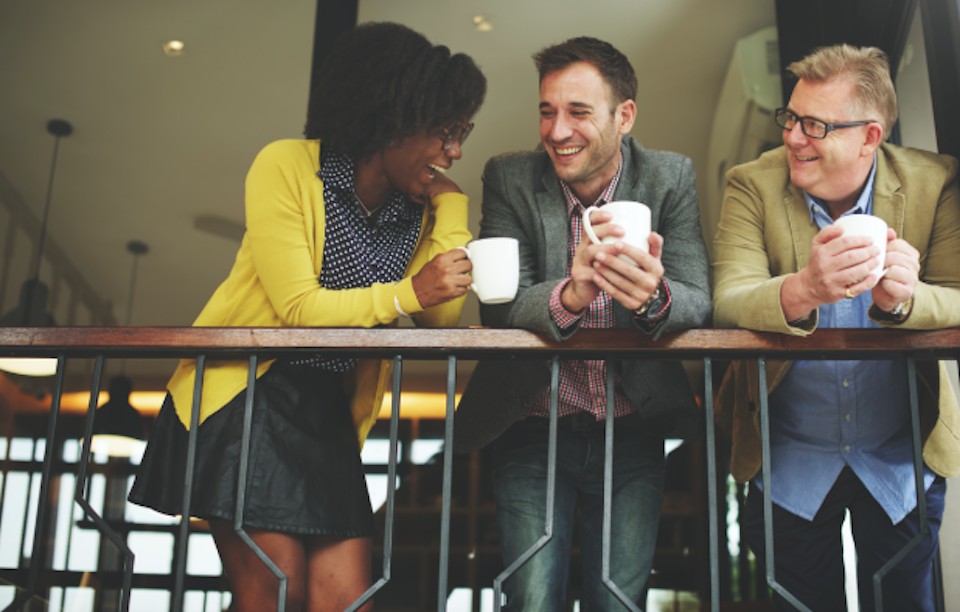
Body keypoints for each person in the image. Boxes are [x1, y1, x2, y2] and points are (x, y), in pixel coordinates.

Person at [129, 22, 486, 612]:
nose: (455, 151)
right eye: (447, 132)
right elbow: (298, 309)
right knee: (275, 589)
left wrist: (452, 205)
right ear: (394, 117)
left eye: (462, 133)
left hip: (326, 409)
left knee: (348, 600)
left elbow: (441, 313)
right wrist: (405, 293)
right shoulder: (288, 167)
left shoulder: (416, 205)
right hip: (248, 392)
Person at [454, 37, 712, 611]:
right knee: (533, 600)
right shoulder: (510, 177)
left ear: (625, 116)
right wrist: (571, 293)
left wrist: (654, 298)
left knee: (619, 602)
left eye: (577, 112)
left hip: (634, 426)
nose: (557, 130)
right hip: (532, 423)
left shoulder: (670, 177)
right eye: (547, 111)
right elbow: (499, 306)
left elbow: (699, 299)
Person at [712, 44, 960, 611]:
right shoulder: (750, 184)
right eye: (791, 118)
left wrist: (903, 301)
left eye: (816, 125)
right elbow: (727, 299)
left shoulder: (935, 181)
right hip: (789, 464)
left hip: (899, 465)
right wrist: (805, 290)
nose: (793, 137)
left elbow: (955, 296)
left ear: (870, 137)